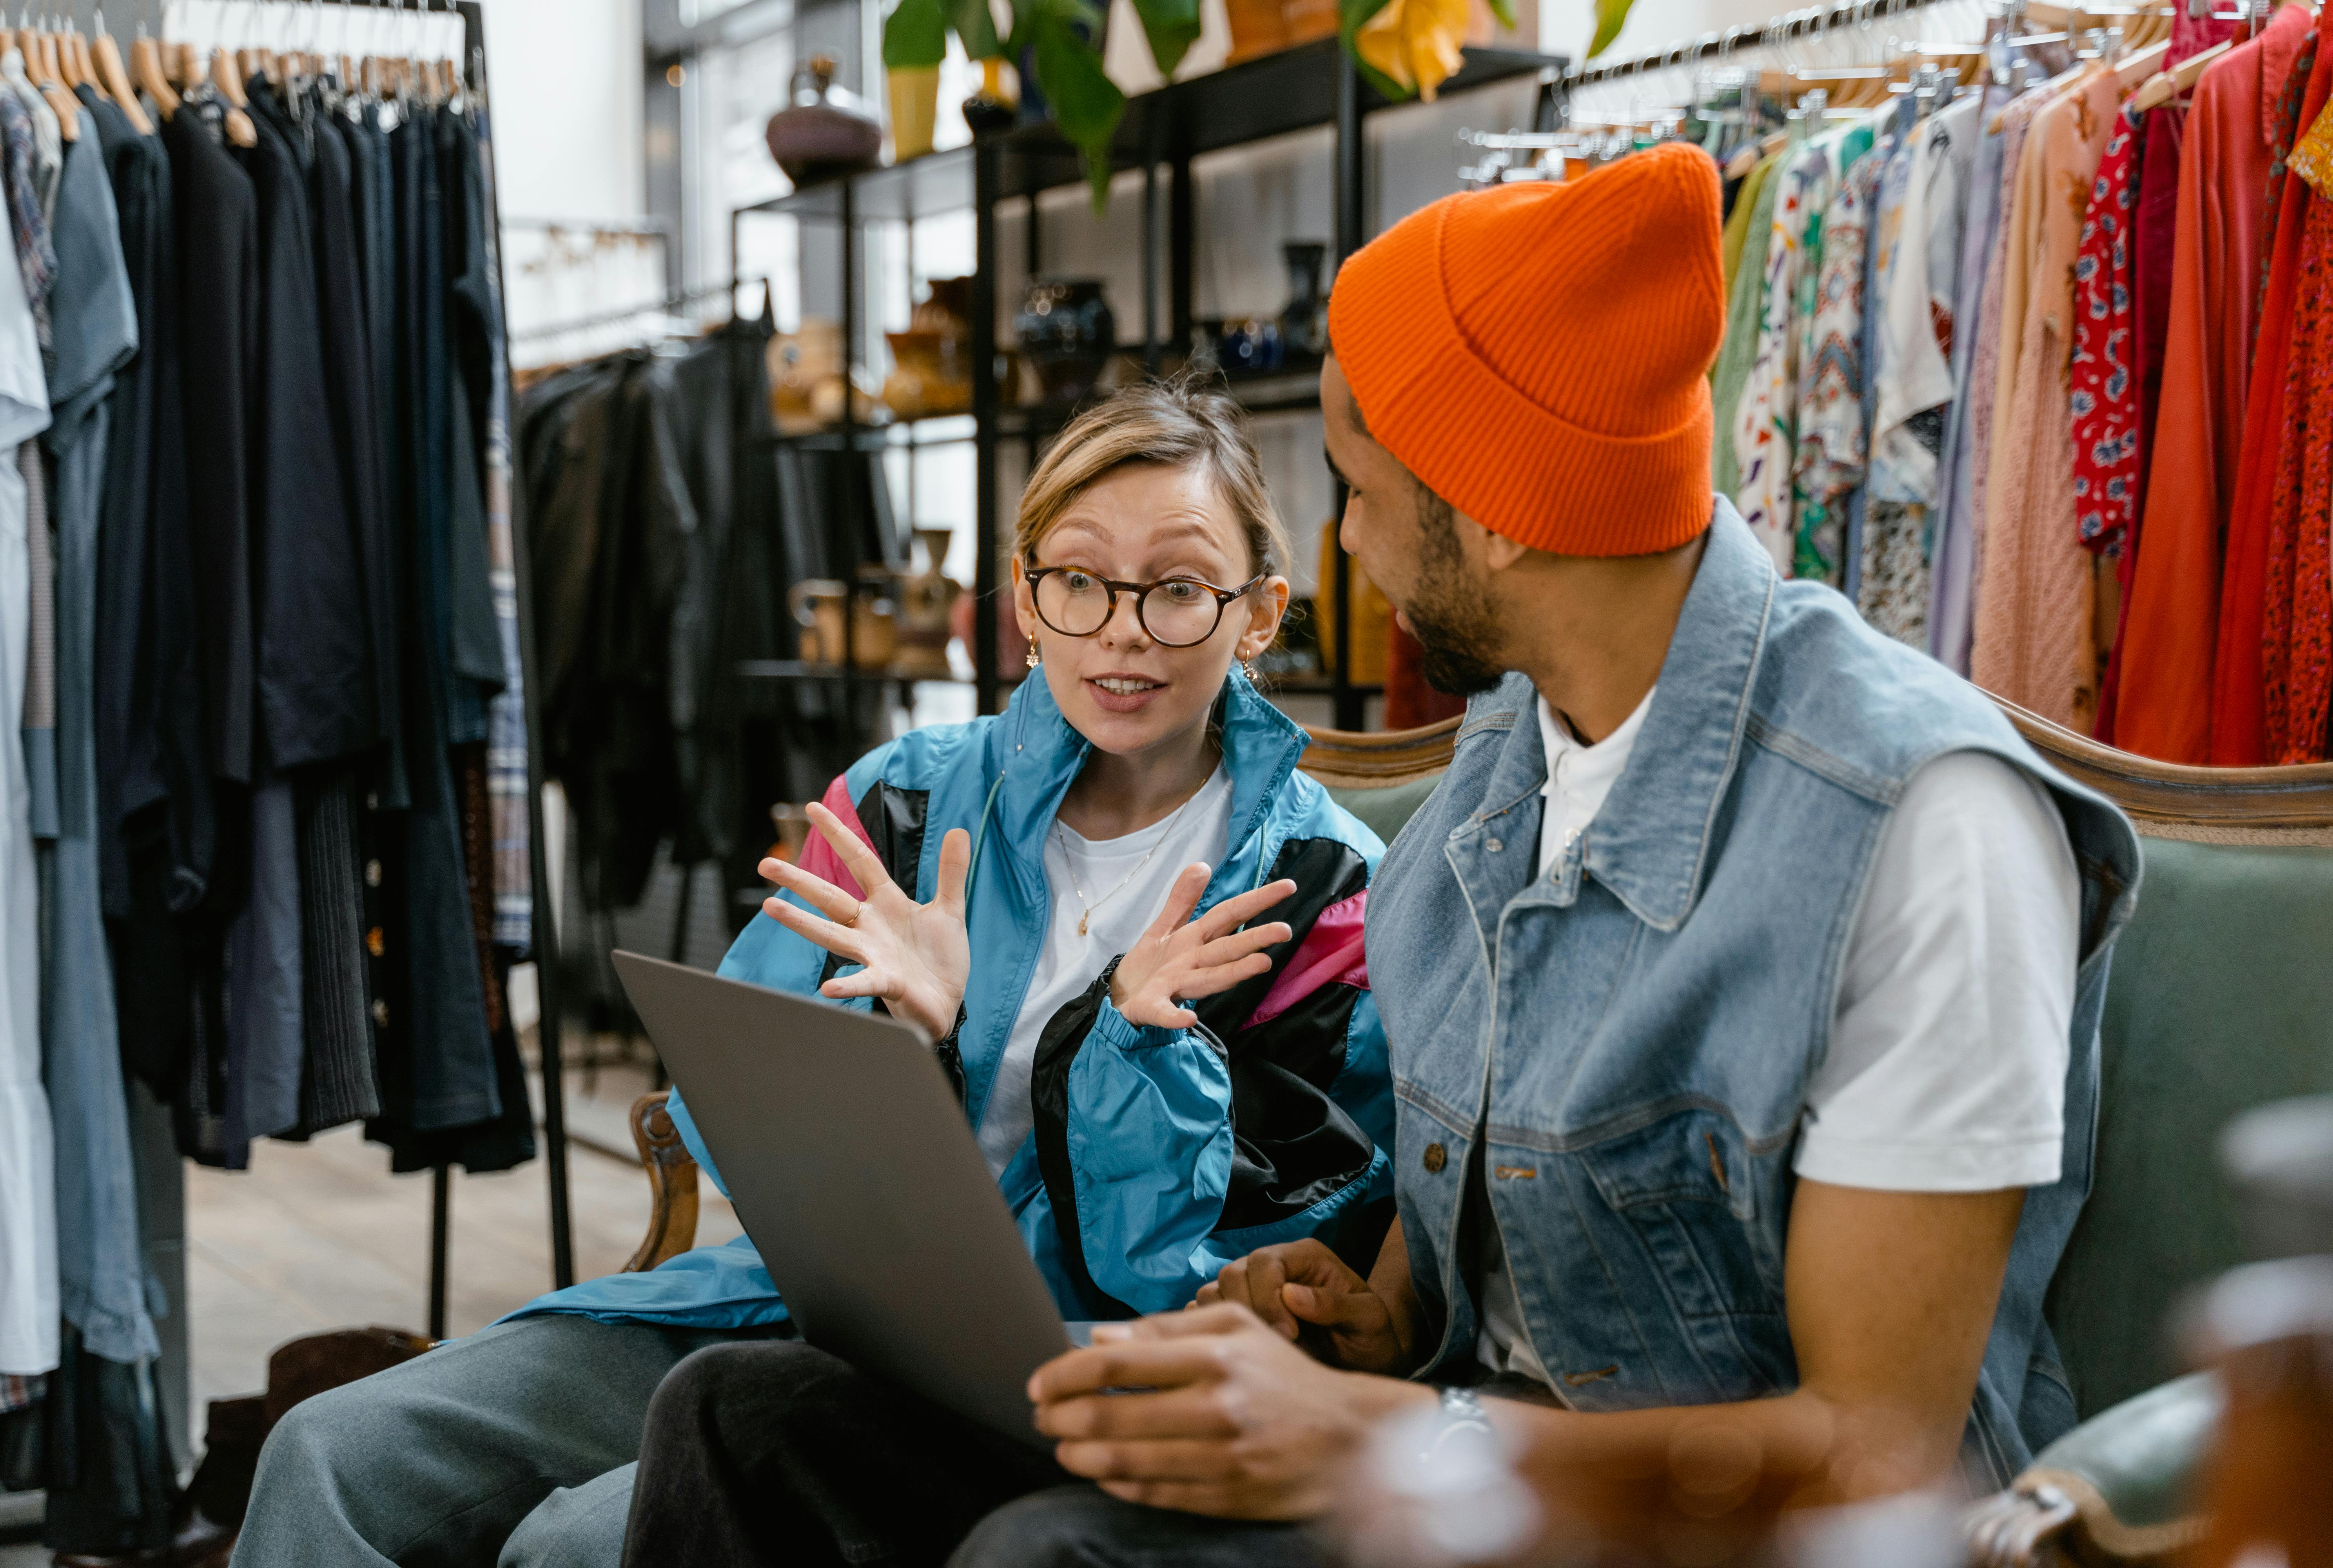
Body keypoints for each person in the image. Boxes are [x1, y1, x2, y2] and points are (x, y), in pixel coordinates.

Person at [618, 142, 2144, 1566]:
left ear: (1493, 515)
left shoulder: (1921, 824)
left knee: (1047, 1551)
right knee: (742, 1422)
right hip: (1448, 1460)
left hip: (1682, 1528)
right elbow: (1491, 1265)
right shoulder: (1503, 763)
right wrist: (1357, 1313)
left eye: (1356, 487)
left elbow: (1874, 1458)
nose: (1339, 542)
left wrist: (1375, 1430)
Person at [226, 383, 1397, 1568]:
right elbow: (735, 1124)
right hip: (796, 1310)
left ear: (1259, 614)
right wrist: (904, 1040)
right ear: (1027, 600)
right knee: (331, 1454)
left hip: (1063, 1383)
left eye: (1181, 589)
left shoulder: (1329, 894)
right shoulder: (905, 798)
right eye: (1079, 580)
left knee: (574, 1548)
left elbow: (1243, 1280)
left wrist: (1133, 1052)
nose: (1123, 629)